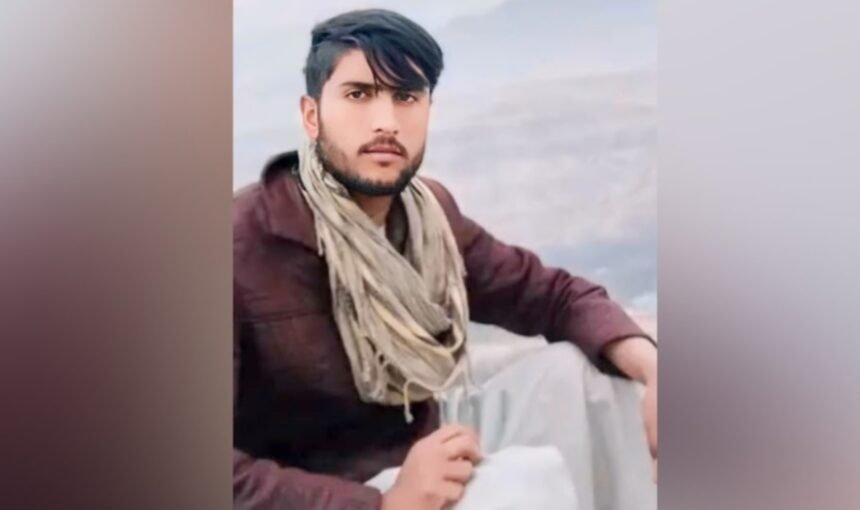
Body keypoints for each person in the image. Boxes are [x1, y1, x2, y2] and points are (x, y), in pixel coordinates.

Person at [234, 9, 657, 510]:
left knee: (594, 380)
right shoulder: (238, 246)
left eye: (406, 97)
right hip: (326, 494)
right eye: (359, 95)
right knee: (515, 491)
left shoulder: (428, 219)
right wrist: (385, 503)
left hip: (422, 451)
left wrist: (655, 370)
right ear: (311, 115)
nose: (386, 121)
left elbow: (554, 297)